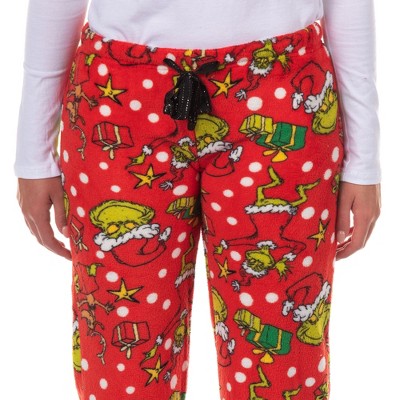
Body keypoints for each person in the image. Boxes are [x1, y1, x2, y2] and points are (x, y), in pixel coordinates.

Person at [15, 0, 381, 399]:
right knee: (124, 360)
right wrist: (33, 153)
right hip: (119, 95)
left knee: (281, 355)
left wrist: (364, 160)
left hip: (279, 86)